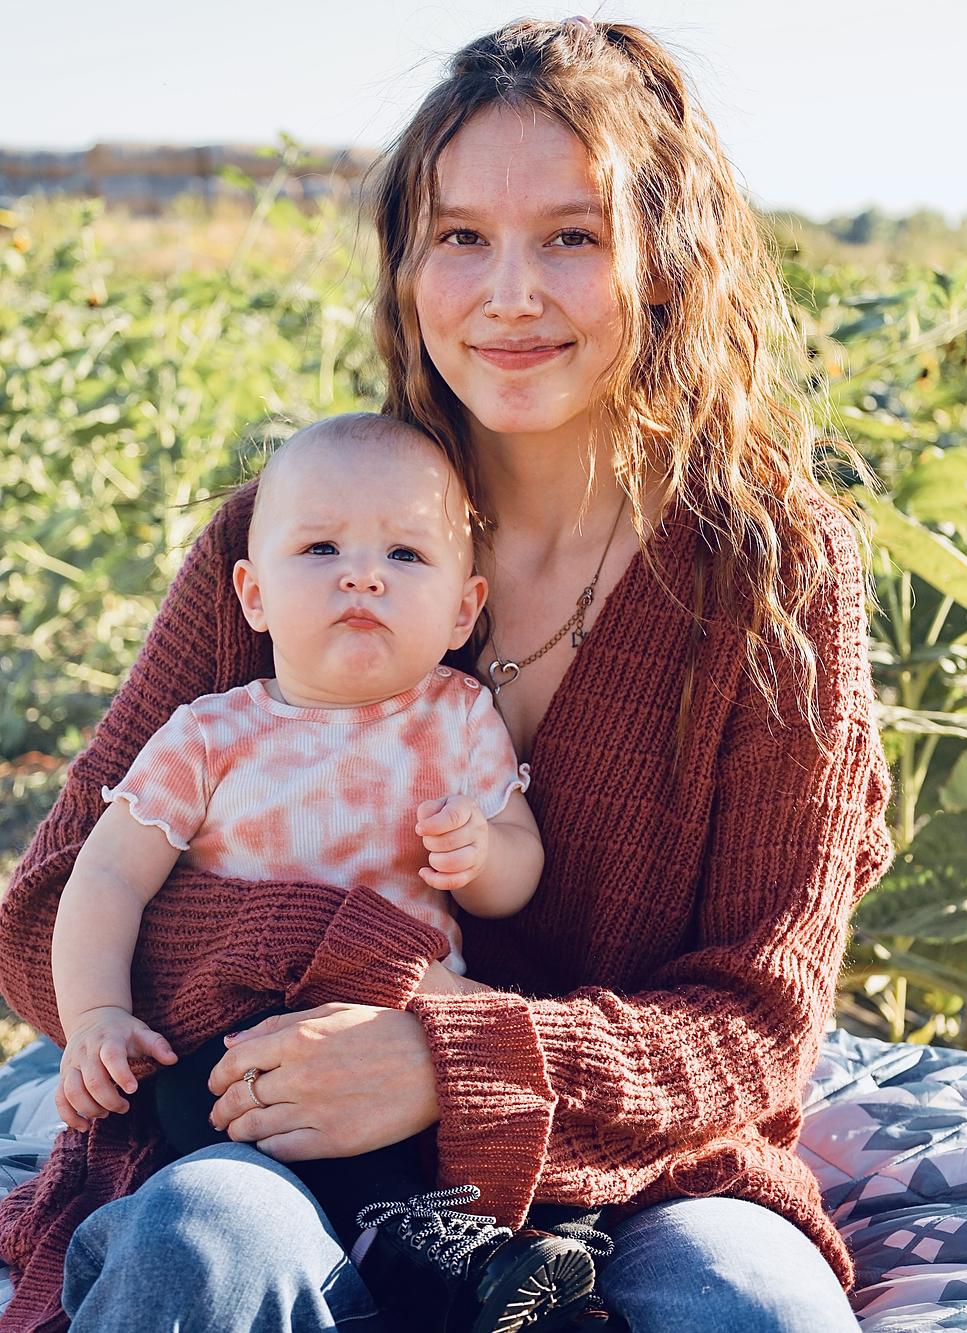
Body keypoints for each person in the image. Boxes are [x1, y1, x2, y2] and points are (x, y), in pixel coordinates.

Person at [0, 17, 894, 1333]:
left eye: (572, 237)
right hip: (266, 1146)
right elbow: (47, 916)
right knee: (204, 1243)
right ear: (407, 266)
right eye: (461, 235)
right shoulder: (302, 532)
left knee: (746, 1303)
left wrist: (449, 1056)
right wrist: (326, 975)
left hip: (638, 1169)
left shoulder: (773, 573)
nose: (509, 292)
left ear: (667, 263)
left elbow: (760, 1019)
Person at [47, 413, 604, 1332]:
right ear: (254, 593)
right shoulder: (210, 734)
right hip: (230, 1032)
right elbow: (106, 878)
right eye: (320, 548)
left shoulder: (456, 716)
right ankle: (441, 1258)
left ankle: (469, 1245)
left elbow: (518, 870)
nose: (363, 575)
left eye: (405, 555)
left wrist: (481, 854)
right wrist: (97, 1014)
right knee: (219, 1090)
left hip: (396, 1024)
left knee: (451, 1120)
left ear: (463, 610)